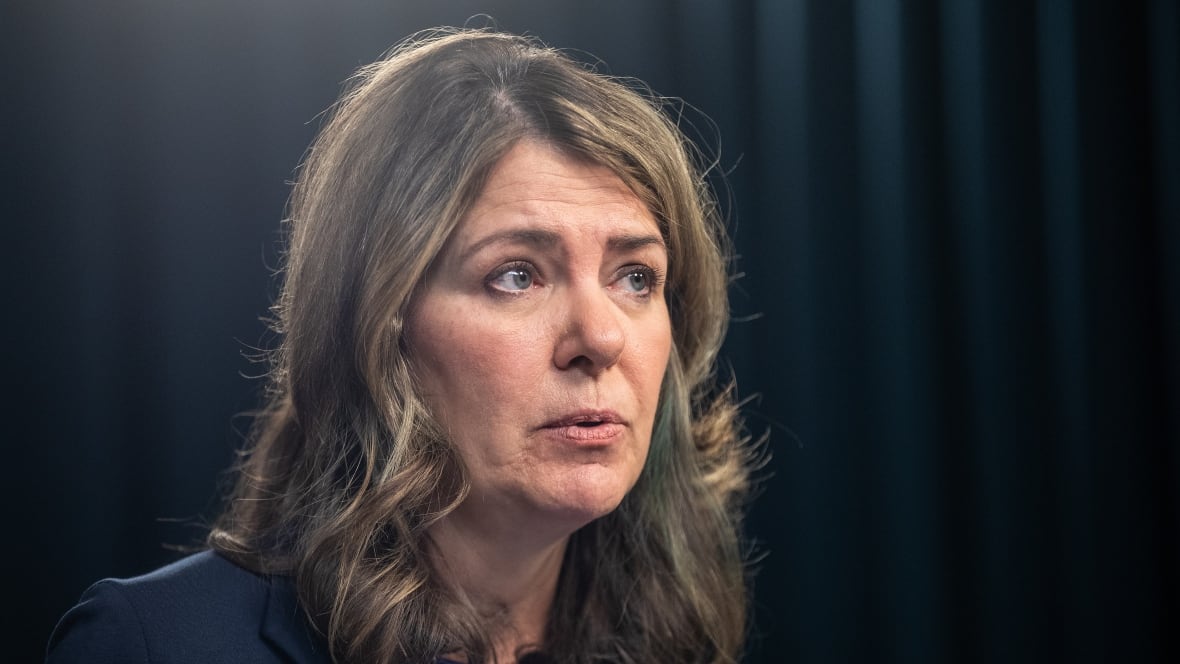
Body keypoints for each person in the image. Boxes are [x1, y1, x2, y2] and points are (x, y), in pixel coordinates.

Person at [47, 28, 756, 664]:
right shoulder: (153, 643)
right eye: (516, 275)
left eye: (636, 276)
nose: (600, 338)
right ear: (382, 324)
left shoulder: (683, 643)